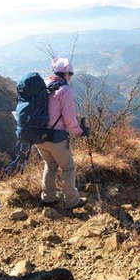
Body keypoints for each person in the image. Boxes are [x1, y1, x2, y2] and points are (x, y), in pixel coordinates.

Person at [36, 57, 88, 209]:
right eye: (70, 74)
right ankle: (72, 201)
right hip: (56, 137)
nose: (70, 77)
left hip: (38, 135)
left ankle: (48, 197)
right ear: (65, 73)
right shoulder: (64, 90)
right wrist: (79, 132)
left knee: (50, 164)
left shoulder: (43, 84)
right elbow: (70, 119)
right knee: (68, 168)